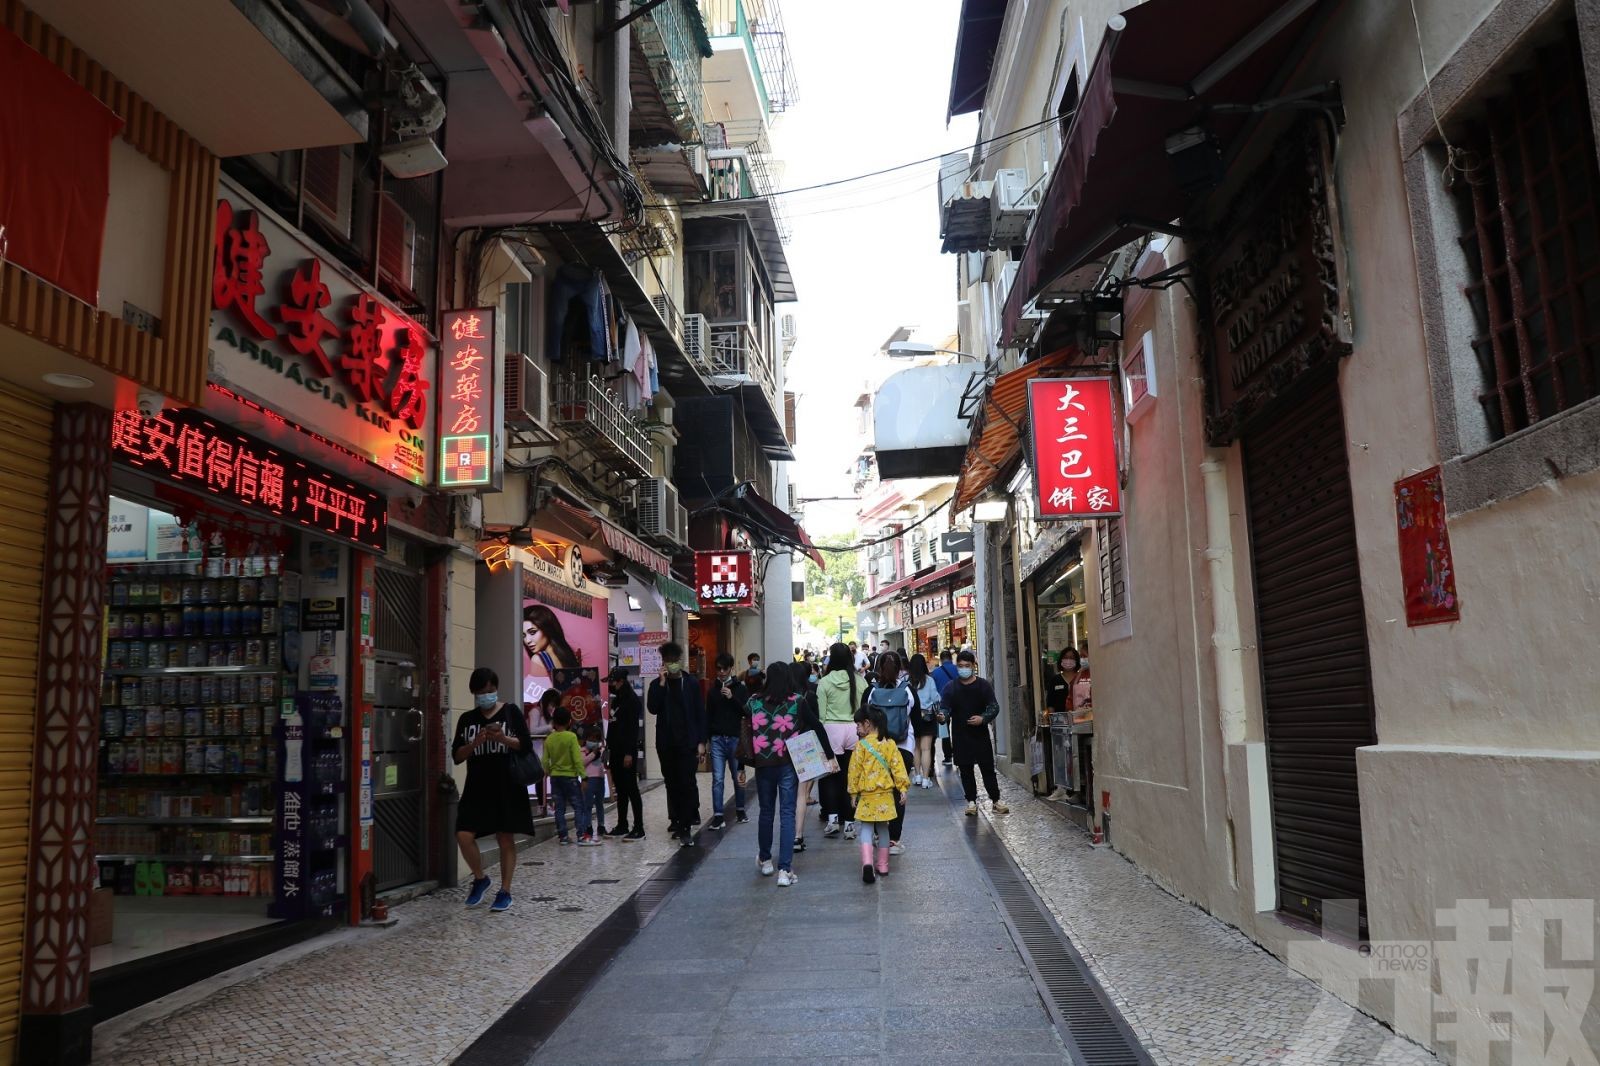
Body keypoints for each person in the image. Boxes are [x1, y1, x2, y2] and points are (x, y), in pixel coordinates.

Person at [452, 667, 536, 912]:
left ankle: (505, 890)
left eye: (490, 691)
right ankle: (480, 878)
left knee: (504, 837)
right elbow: (457, 756)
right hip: (476, 786)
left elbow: (525, 745)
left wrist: (502, 739)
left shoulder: (511, 712)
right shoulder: (467, 719)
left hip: (506, 784)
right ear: (473, 692)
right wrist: (474, 744)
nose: (486, 696)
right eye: (481, 692)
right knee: (463, 834)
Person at [742, 661, 821, 887]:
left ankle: (766, 859)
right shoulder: (797, 702)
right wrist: (829, 755)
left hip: (763, 765)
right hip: (788, 763)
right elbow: (815, 725)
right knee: (787, 813)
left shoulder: (754, 702)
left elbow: (745, 729)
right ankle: (785, 870)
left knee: (766, 811)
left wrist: (740, 766)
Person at [647, 641, 707, 846]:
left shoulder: (690, 683)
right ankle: (679, 821)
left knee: (687, 783)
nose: (671, 664)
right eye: (667, 661)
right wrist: (662, 683)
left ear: (679, 661)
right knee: (672, 784)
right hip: (666, 744)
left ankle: (686, 827)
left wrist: (701, 742)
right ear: (663, 663)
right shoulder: (657, 685)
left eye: (674, 661)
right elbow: (652, 708)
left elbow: (700, 713)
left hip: (687, 743)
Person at [942, 650, 1010, 817]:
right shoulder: (951, 687)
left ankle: (996, 800)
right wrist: (941, 716)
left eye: (967, 666)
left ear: (973, 666)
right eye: (960, 666)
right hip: (960, 735)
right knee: (965, 770)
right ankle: (971, 801)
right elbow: (945, 709)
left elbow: (994, 707)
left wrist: (983, 718)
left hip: (980, 735)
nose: (963, 669)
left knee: (987, 768)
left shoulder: (983, 685)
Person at [848, 704, 909, 884]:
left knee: (866, 828)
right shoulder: (889, 744)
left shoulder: (861, 746)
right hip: (885, 795)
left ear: (867, 724)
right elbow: (898, 767)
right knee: (883, 829)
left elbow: (854, 771)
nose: (857, 729)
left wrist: (853, 793)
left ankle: (867, 863)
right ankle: (882, 865)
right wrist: (903, 788)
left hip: (867, 795)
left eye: (858, 725)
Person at [867, 653, 914, 854]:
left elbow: (864, 719)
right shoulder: (908, 691)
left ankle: (879, 834)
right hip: (903, 747)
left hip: (878, 748)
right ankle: (894, 840)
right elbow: (917, 719)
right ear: (900, 669)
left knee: (877, 791)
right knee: (898, 793)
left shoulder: (872, 692)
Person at [815, 642, 862, 840]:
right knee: (850, 777)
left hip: (831, 731)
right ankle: (850, 823)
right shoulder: (860, 681)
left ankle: (833, 819)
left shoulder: (824, 682)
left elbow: (821, 716)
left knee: (829, 777)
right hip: (853, 729)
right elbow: (862, 710)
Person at [705, 653, 749, 831]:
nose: (721, 672)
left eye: (725, 668)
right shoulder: (712, 690)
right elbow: (708, 716)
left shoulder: (740, 688)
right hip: (717, 739)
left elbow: (746, 711)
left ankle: (740, 810)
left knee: (737, 776)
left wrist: (732, 698)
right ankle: (718, 816)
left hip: (735, 738)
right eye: (719, 668)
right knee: (717, 778)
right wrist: (707, 739)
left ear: (731, 668)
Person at [544, 707, 597, 845]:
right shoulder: (571, 737)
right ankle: (581, 836)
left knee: (559, 808)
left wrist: (549, 772)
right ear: (569, 722)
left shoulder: (549, 739)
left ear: (553, 722)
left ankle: (563, 837)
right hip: (570, 778)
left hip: (555, 778)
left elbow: (544, 760)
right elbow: (577, 759)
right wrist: (584, 776)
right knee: (578, 806)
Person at [604, 669, 644, 839]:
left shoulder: (632, 701)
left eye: (612, 682)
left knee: (631, 789)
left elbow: (632, 730)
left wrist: (629, 753)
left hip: (627, 751)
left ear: (620, 681)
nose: (610, 686)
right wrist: (608, 748)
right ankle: (622, 824)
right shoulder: (616, 701)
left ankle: (639, 827)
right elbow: (613, 726)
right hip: (615, 750)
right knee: (620, 789)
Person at [521, 604, 580, 707]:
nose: (527, 641)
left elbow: (531, 701)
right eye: (523, 635)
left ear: (547, 628)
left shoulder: (539, 659)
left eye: (532, 632)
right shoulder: (567, 655)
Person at [908, 653, 942, 789]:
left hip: (912, 717)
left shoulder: (907, 681)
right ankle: (926, 779)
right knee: (926, 749)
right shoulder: (929, 680)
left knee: (916, 748)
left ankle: (916, 775)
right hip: (927, 717)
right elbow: (936, 698)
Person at [932, 649, 960, 766]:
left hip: (943, 704)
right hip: (958, 702)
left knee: (945, 730)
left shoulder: (935, 672)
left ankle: (948, 756)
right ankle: (959, 755)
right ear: (950, 658)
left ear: (941, 660)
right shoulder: (958, 669)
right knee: (958, 729)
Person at [581, 722, 608, 839]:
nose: (594, 741)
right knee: (588, 805)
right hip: (589, 779)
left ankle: (601, 826)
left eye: (597, 739)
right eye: (591, 738)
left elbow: (604, 763)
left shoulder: (601, 750)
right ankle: (588, 826)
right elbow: (582, 762)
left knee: (600, 804)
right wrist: (593, 753)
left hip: (600, 778)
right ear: (586, 738)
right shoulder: (582, 750)